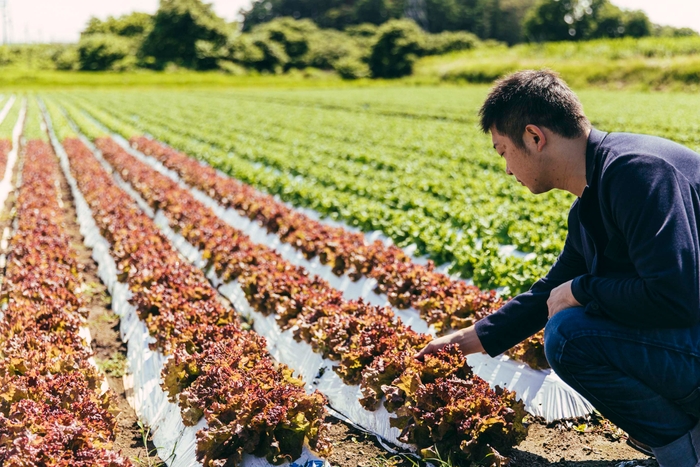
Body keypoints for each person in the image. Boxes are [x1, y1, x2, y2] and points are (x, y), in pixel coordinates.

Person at [416, 69, 700, 467]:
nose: (507, 169)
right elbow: (548, 292)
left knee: (569, 336)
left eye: (503, 151)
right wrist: (463, 342)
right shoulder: (595, 196)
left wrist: (583, 290)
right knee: (570, 322)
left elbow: (675, 295)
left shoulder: (637, 173)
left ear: (534, 137)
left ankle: (687, 456)